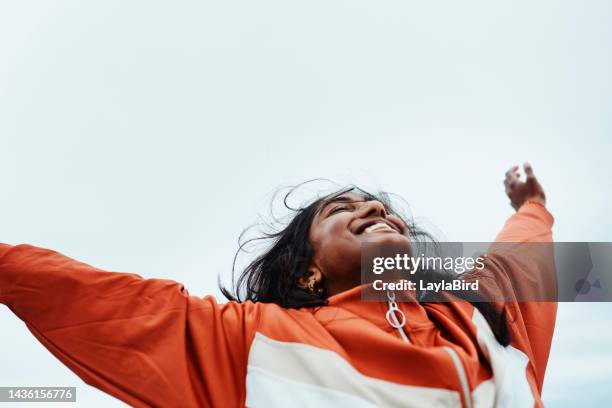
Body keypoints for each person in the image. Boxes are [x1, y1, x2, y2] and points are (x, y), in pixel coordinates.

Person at [0, 163, 555, 408]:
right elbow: (96, 300)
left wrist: (533, 204)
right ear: (306, 271)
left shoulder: (483, 321)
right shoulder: (252, 344)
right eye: (341, 210)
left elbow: (518, 261)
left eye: (379, 206)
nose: (375, 208)